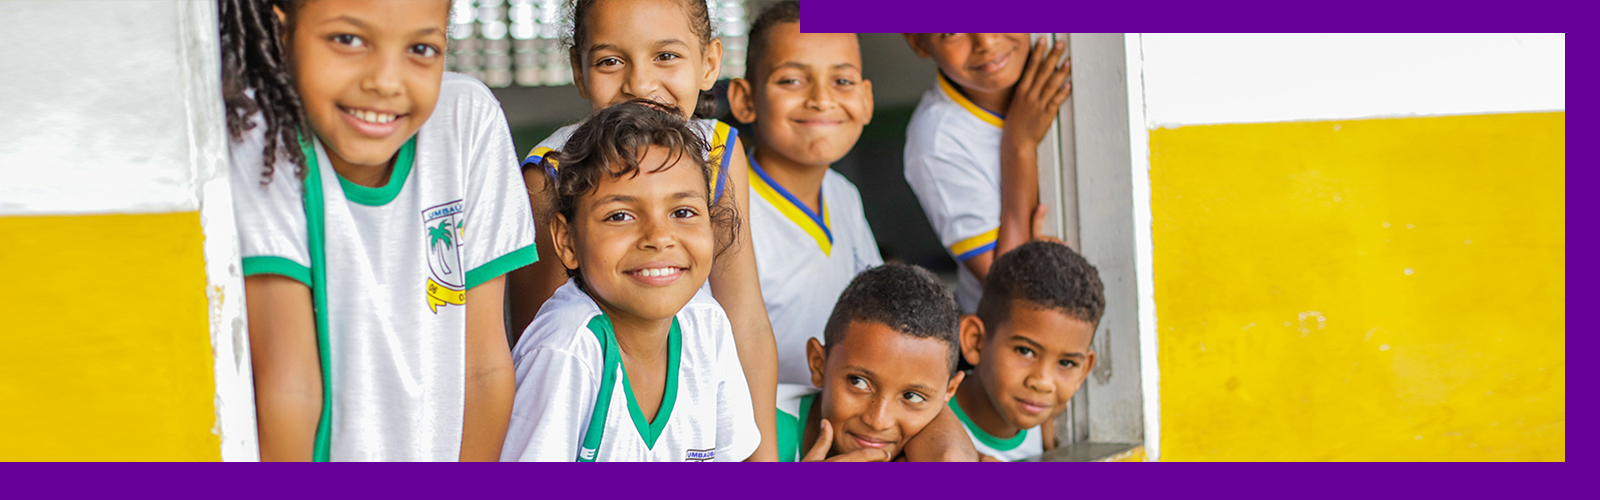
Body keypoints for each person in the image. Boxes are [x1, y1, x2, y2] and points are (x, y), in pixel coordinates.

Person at [220, 0, 533, 461]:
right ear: (281, 31)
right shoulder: (261, 136)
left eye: (421, 48)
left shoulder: (467, 119)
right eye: (348, 40)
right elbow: (290, 386)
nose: (386, 81)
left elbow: (482, 367)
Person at [504, 0, 779, 460]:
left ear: (709, 62)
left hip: (692, 411)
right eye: (611, 61)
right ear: (579, 69)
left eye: (665, 56)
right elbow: (545, 346)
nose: (640, 84)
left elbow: (744, 320)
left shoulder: (719, 153)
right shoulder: (551, 173)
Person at [726, 1, 882, 386]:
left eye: (842, 81)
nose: (821, 99)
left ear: (866, 100)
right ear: (745, 100)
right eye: (792, 80)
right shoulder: (723, 208)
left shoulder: (844, 196)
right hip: (763, 435)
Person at [901, 33, 1072, 313]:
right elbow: (1010, 289)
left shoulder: (1058, 54)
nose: (986, 42)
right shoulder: (935, 140)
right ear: (918, 42)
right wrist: (1019, 145)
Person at [774, 264, 978, 462]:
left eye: (912, 396)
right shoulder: (757, 430)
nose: (879, 421)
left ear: (949, 391)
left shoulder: (930, 451)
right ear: (819, 364)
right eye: (858, 382)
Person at [951, 240, 1103, 460]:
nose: (1042, 382)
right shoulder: (923, 428)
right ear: (975, 341)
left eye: (1066, 363)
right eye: (1025, 351)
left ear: (1084, 370)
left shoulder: (1045, 427)